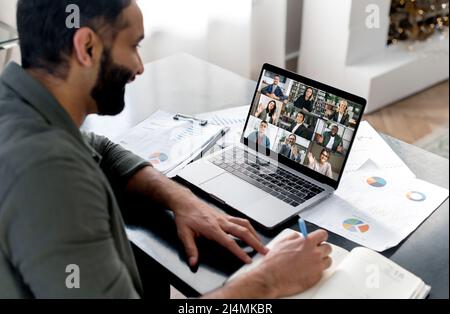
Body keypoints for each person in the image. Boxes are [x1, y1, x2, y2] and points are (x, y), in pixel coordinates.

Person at [0, 0, 331, 299]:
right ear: (86, 47)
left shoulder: (20, 103)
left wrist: (181, 198)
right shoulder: (50, 176)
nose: (139, 67)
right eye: (133, 46)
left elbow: (97, 148)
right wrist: (267, 280)